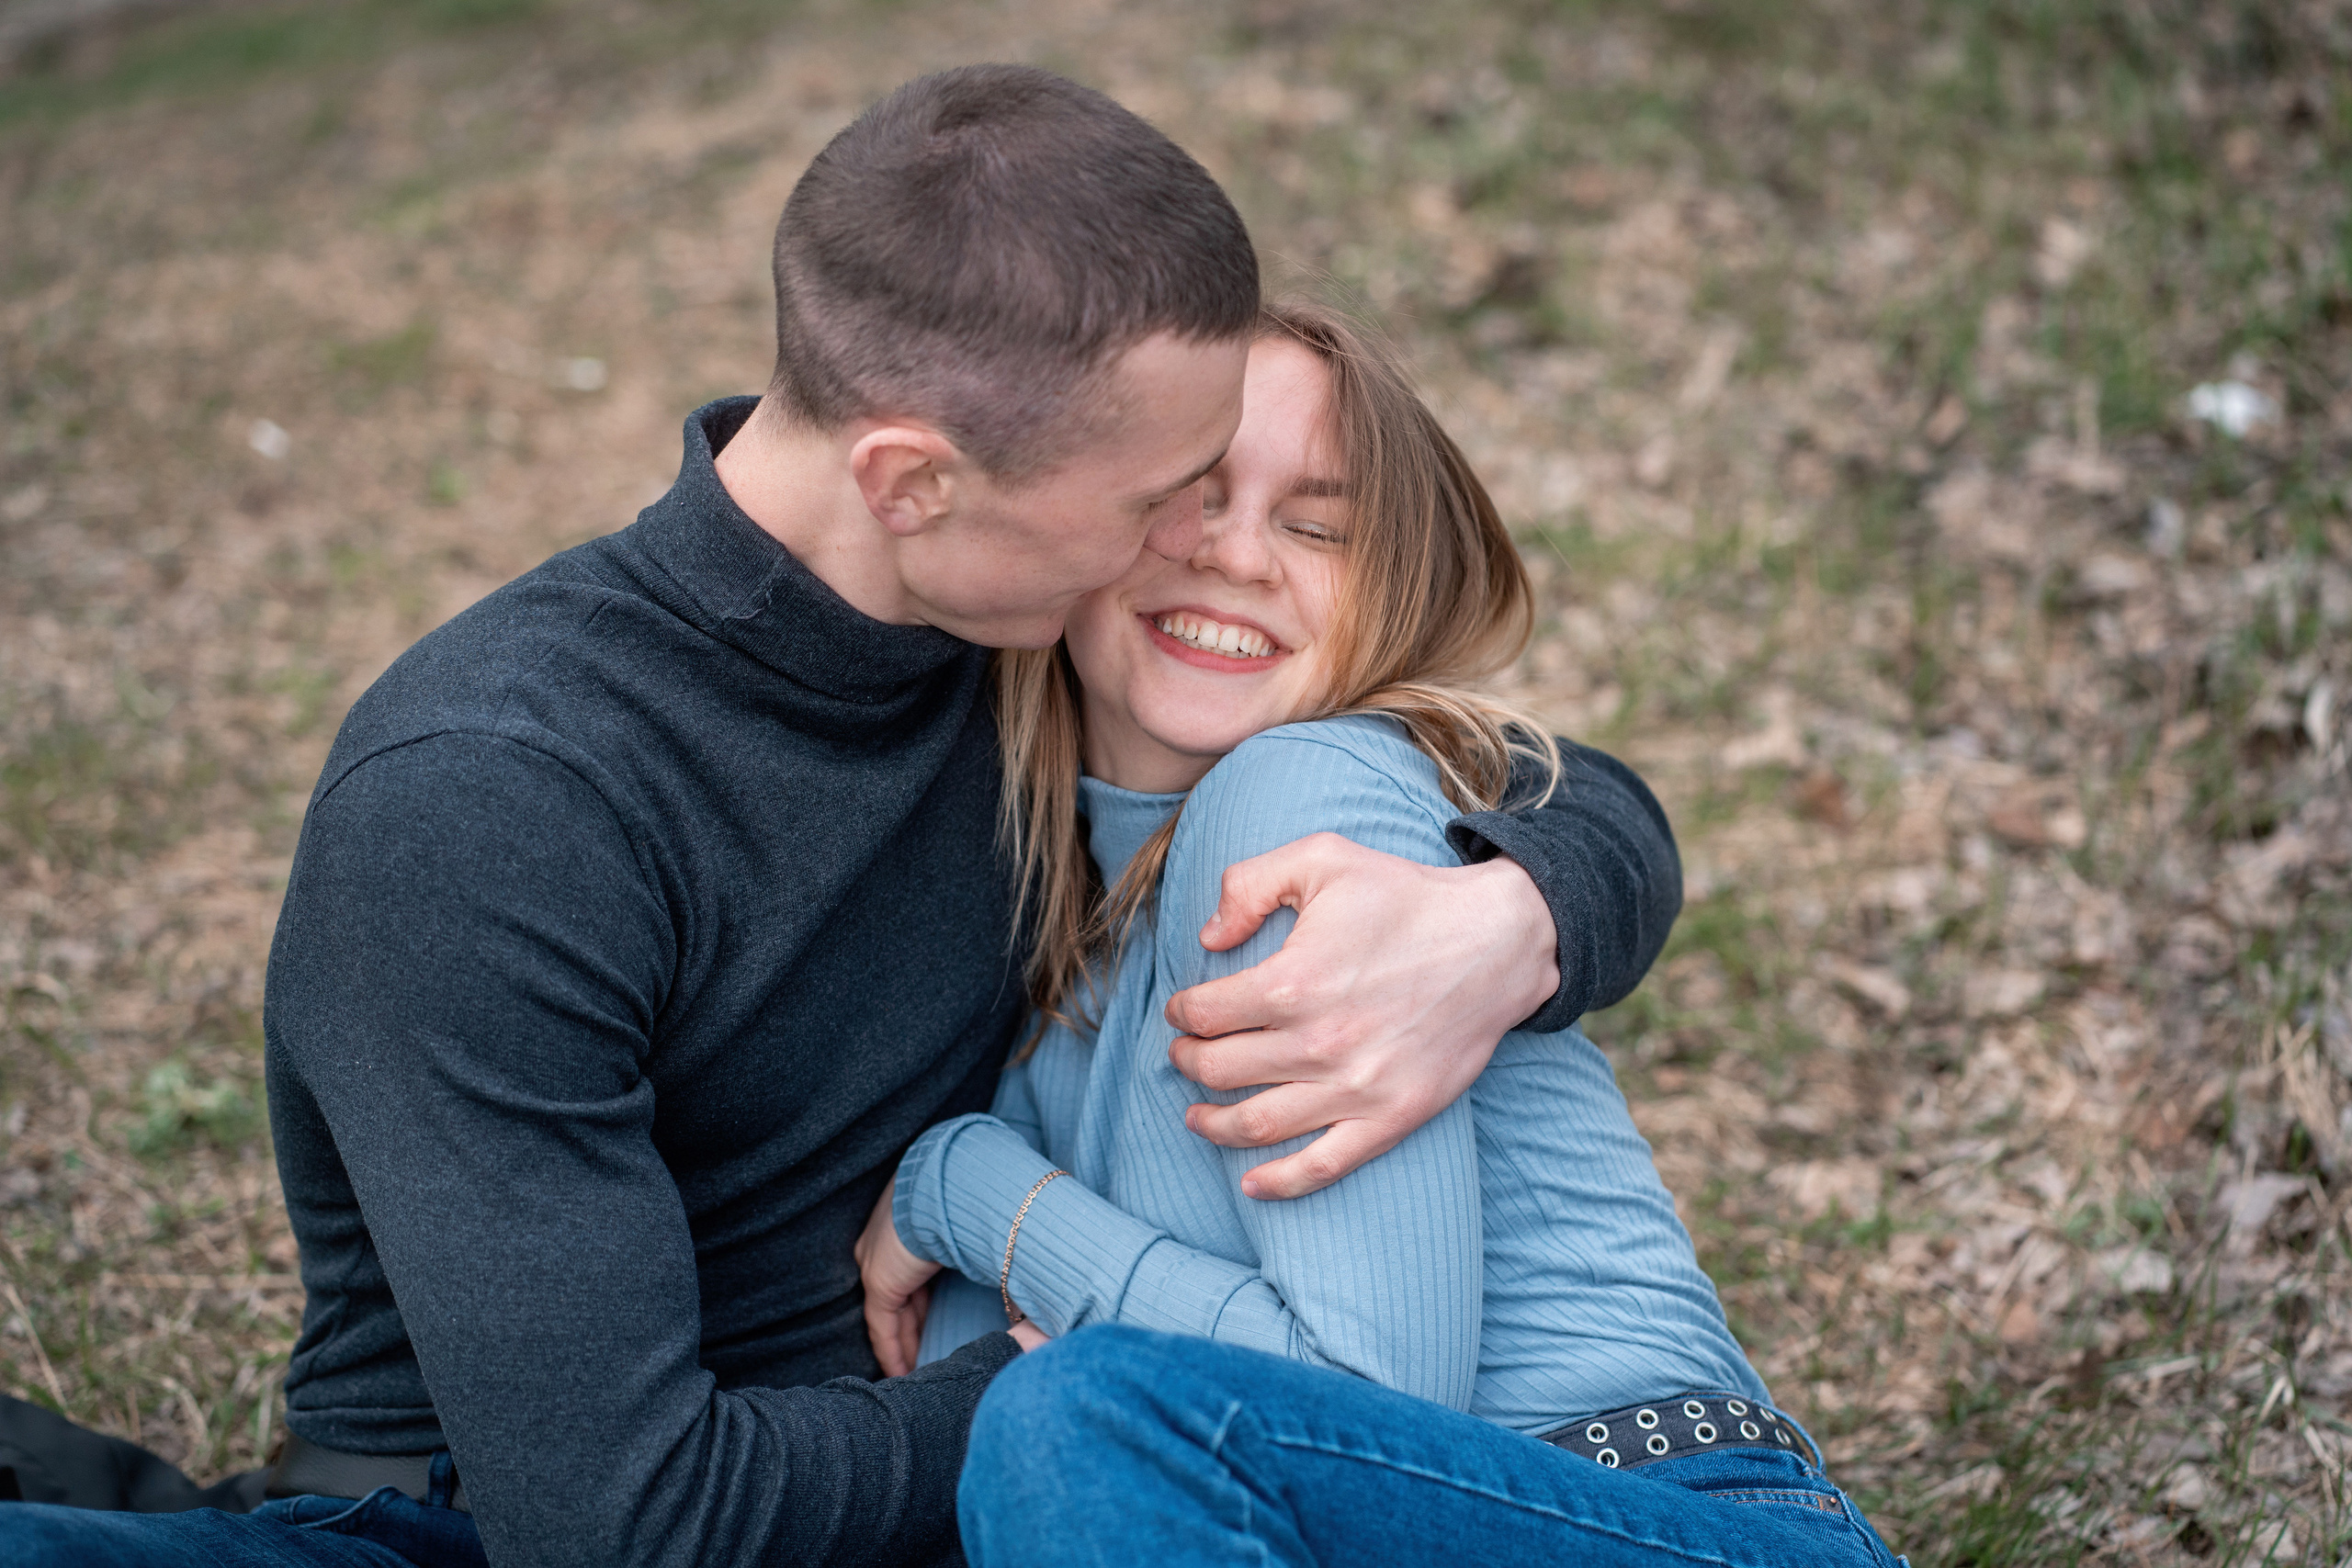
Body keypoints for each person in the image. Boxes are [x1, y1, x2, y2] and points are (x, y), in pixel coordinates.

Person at [0, 67, 1686, 1568]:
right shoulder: (494, 802)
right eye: (1157, 496)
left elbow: (1525, 781)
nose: (1197, 546)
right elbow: (626, 1523)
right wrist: (1095, 1368)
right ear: (913, 481)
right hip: (484, 1519)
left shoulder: (1019, 650)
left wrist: (1507, 921)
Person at [856, 303, 1902, 1566]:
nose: (1237, 556)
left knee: (1078, 1418)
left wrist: (970, 1189)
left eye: (1318, 526)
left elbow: (1358, 1400)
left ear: (1385, 598)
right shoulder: (1045, 976)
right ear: (1084, 518)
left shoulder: (1297, 806)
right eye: (1189, 494)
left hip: (1669, 1519)